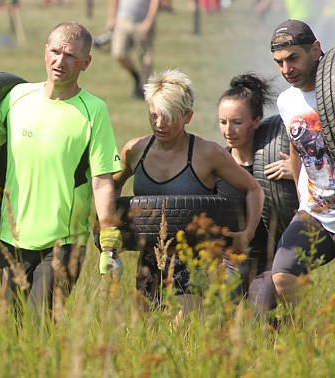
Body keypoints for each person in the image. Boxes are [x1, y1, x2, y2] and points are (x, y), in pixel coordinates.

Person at [0, 22, 122, 314]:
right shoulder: (17, 98)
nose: (60, 62)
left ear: (86, 62)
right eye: (55, 52)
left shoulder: (93, 111)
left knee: (38, 325)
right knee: (11, 331)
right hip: (12, 237)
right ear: (45, 53)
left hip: (63, 242)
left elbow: (102, 181)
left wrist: (109, 244)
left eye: (70, 56)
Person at [113, 70, 263, 312]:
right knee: (146, 332)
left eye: (169, 117)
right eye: (154, 115)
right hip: (149, 257)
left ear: (187, 117)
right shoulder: (135, 150)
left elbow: (253, 189)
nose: (159, 124)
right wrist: (110, 227)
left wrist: (247, 233)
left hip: (196, 259)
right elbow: (110, 186)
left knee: (183, 328)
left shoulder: (207, 153)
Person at [269, 20, 335, 308]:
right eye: (279, 62)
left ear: (316, 49)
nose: (286, 69)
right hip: (318, 215)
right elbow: (298, 149)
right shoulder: (287, 102)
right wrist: (302, 200)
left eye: (293, 58)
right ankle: (304, 345)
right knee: (282, 276)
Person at [217, 73, 291, 313]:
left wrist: (297, 171)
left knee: (260, 322)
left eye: (237, 122)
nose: (229, 130)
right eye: (223, 122)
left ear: (257, 121)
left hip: (269, 265)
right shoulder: (215, 166)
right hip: (230, 264)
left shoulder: (278, 164)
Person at [107, 0, 160, 99]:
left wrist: (149, 21)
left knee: (145, 59)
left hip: (142, 22)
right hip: (123, 20)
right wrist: (111, 17)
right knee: (118, 53)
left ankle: (143, 90)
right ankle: (135, 76)